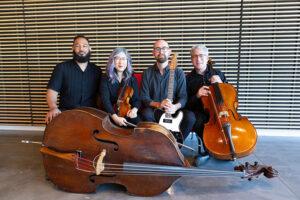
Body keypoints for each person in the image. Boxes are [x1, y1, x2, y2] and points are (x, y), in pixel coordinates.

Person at [140, 39, 195, 141]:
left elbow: (183, 96)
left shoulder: (178, 72)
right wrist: (158, 104)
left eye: (164, 48)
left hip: (173, 111)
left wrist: (175, 107)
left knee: (190, 117)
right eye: (158, 49)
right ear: (153, 53)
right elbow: (144, 97)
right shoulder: (147, 73)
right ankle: (156, 142)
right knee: (146, 113)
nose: (161, 51)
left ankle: (176, 143)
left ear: (169, 51)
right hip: (155, 110)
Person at [45, 35, 102, 124]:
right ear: (72, 48)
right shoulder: (61, 68)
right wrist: (53, 108)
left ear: (90, 49)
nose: (81, 49)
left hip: (90, 115)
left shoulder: (97, 70)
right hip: (67, 113)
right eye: (77, 46)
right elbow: (52, 92)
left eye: (84, 46)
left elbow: (101, 96)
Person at [186, 44, 227, 152]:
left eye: (201, 55)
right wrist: (197, 95)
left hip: (221, 111)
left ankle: (228, 147)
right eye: (194, 56)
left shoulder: (218, 74)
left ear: (207, 58)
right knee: (200, 121)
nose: (198, 59)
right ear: (191, 59)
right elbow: (186, 104)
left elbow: (231, 96)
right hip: (201, 114)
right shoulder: (188, 79)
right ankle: (209, 150)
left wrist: (222, 84)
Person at [100, 47, 140, 127]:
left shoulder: (132, 78)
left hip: (127, 113)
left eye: (124, 59)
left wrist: (134, 110)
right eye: (117, 58)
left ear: (127, 61)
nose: (121, 62)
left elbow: (137, 100)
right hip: (111, 113)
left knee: (140, 128)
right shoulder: (105, 78)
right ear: (112, 61)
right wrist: (115, 118)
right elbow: (105, 101)